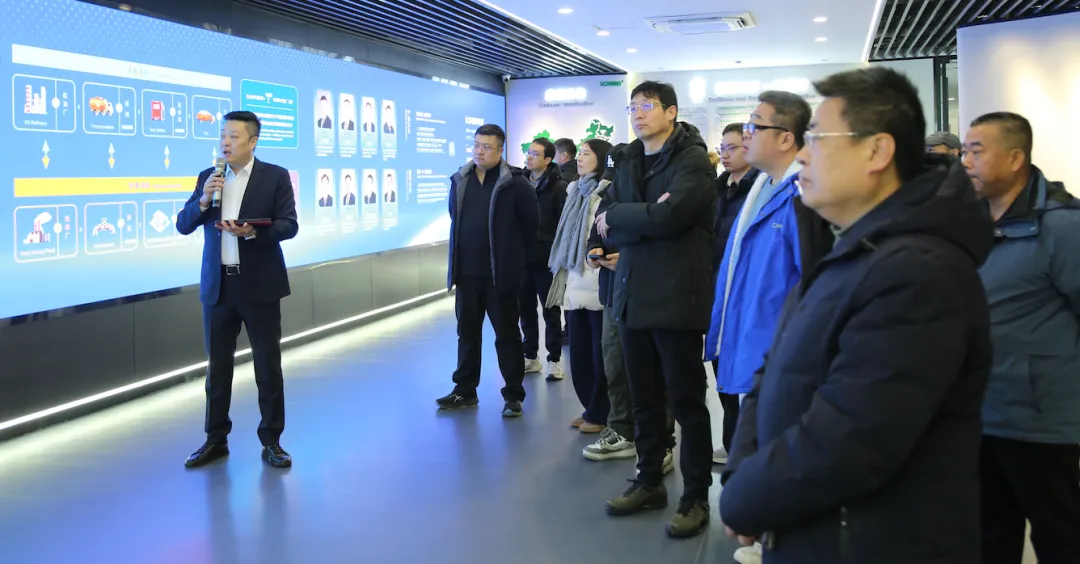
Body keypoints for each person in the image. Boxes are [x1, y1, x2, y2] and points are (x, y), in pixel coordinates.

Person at [720, 67, 993, 564]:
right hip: (811, 529)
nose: (803, 155)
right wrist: (743, 470)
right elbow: (774, 370)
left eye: (818, 139)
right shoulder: (846, 249)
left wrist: (745, 497)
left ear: (877, 151)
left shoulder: (919, 272)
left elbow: (851, 439)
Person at [594, 80, 715, 538]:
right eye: (632, 108)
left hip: (677, 299)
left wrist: (623, 216)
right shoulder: (627, 158)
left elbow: (669, 218)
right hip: (631, 295)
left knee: (686, 401)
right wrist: (634, 215)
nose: (638, 114)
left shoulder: (692, 160)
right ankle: (649, 482)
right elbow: (607, 220)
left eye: (647, 106)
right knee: (643, 399)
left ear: (671, 111)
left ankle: (696, 496)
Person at [962, 111, 1080, 564]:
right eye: (965, 151)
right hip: (980, 411)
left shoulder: (1062, 226)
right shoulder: (971, 222)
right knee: (988, 536)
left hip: (1040, 421)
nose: (965, 161)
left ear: (1015, 159)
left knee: (1060, 536)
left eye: (977, 151)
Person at [175, 110, 299, 469]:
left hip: (259, 286)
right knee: (217, 369)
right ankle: (215, 440)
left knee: (267, 366)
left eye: (234, 136)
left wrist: (254, 232)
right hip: (219, 288)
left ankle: (272, 441)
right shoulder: (208, 177)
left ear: (253, 141)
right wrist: (203, 200)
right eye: (223, 136)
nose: (225, 143)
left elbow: (289, 225)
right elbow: (183, 224)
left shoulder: (274, 177)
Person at [438, 124, 539, 417]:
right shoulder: (461, 179)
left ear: (500, 150)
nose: (479, 152)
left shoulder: (515, 183)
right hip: (466, 274)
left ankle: (513, 395)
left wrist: (515, 264)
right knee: (467, 334)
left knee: (507, 335)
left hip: (501, 276)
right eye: (476, 145)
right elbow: (455, 217)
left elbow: (531, 226)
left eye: (487, 147)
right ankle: (465, 390)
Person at [546, 139, 612, 433]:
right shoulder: (574, 190)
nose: (580, 158)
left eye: (587, 153)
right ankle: (589, 408)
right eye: (580, 153)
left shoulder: (608, 192)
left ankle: (601, 413)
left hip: (598, 281)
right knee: (580, 355)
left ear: (602, 159)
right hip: (574, 280)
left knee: (601, 357)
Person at [709, 122, 761, 466]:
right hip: (716, 290)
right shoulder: (717, 189)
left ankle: (745, 446)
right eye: (722, 148)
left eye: (733, 147)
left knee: (747, 372)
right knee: (721, 367)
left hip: (744, 292)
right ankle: (732, 442)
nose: (725, 154)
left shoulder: (761, 189)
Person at [521, 137, 567, 381]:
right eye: (529, 153)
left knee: (551, 311)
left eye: (535, 154)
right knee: (525, 310)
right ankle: (530, 356)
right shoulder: (520, 183)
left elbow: (562, 225)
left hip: (547, 260)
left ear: (548, 160)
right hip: (522, 258)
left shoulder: (558, 187)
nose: (529, 157)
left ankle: (554, 359)